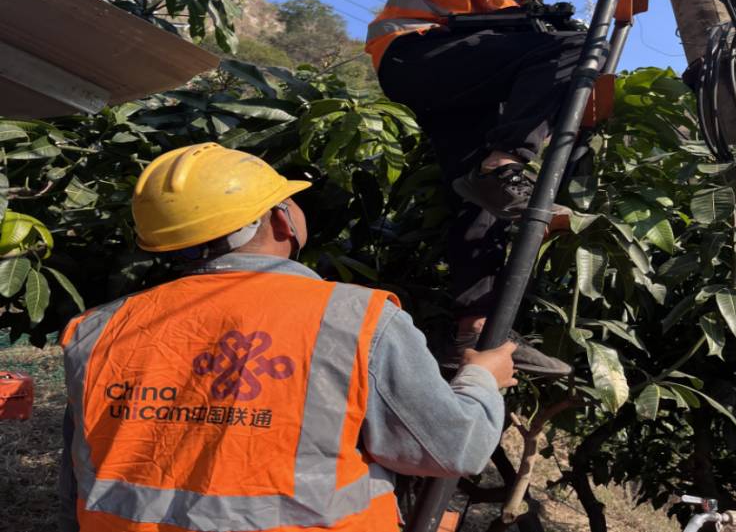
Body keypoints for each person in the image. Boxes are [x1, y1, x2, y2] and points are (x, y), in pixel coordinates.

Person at [58, 143, 517, 532]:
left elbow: (80, 474)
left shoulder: (97, 328)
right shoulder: (356, 317)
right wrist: (481, 378)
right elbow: (453, 447)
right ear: (280, 221)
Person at [364, 0, 627, 373]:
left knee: (477, 202)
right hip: (413, 55)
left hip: (461, 88)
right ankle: (505, 163)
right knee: (578, 48)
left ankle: (475, 334)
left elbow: (515, 62)